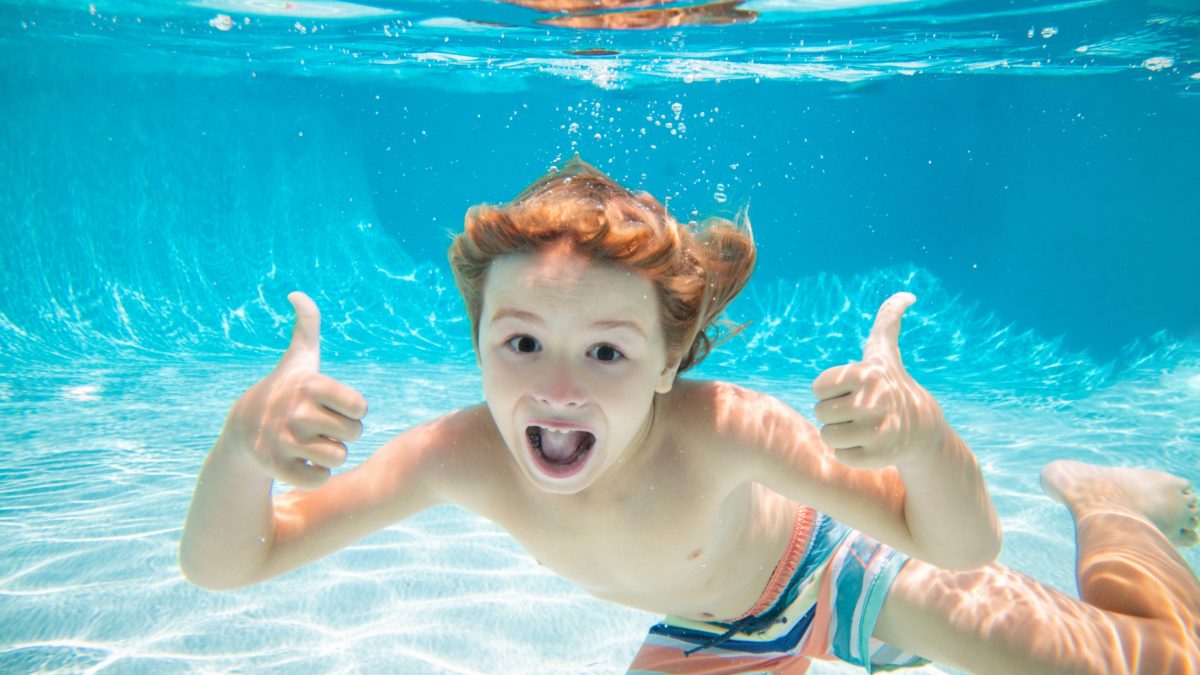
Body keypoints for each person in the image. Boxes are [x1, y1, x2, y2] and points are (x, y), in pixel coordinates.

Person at [180, 158, 1200, 674]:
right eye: (521, 342)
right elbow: (233, 563)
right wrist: (239, 451)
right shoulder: (458, 455)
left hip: (843, 571)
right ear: (478, 340)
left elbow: (961, 548)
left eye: (609, 352)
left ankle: (1112, 505)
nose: (559, 387)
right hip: (715, 633)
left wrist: (923, 445)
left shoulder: (727, 430)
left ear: (674, 359)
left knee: (1164, 662)